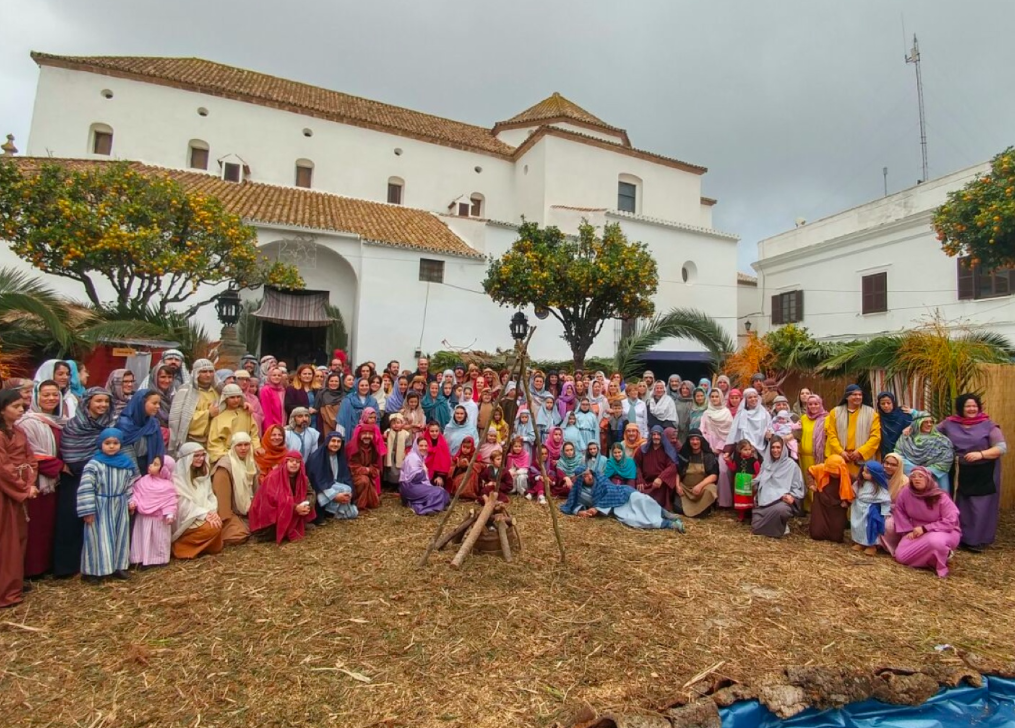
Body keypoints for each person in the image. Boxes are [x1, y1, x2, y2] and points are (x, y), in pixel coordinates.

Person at [54, 387, 114, 578]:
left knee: (97, 522)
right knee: (72, 522)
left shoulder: (109, 425)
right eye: (98, 401)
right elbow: (71, 453)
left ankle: (96, 564)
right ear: (87, 402)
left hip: (102, 479)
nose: (103, 405)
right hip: (76, 479)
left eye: (106, 401)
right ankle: (69, 567)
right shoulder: (74, 426)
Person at [938, 393, 1005, 552]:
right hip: (961, 469)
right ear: (961, 407)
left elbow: (1001, 447)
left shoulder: (988, 425)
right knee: (962, 503)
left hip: (984, 470)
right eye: (968, 406)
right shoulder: (950, 423)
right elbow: (929, 430)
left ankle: (977, 540)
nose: (971, 409)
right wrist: (911, 425)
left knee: (980, 505)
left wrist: (981, 454)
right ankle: (960, 537)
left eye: (974, 406)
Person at [17, 380, 65, 579]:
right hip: (37, 481)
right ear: (36, 397)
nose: (51, 398)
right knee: (35, 526)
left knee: (49, 526)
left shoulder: (61, 420)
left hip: (55, 482)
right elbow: (32, 453)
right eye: (46, 395)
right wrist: (60, 467)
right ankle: (32, 569)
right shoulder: (26, 422)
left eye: (55, 394)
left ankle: (46, 565)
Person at [77, 428, 138, 582]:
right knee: (98, 538)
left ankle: (117, 566)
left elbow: (129, 485)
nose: (112, 446)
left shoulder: (126, 464)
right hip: (100, 506)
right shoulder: (94, 465)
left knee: (119, 536)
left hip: (119, 504)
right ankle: (93, 571)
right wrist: (88, 510)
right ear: (100, 444)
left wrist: (131, 501)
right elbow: (86, 488)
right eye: (108, 443)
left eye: (115, 443)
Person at [0, 390, 38, 608]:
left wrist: (30, 481)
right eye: (15, 406)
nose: (21, 409)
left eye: (22, 405)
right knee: (7, 542)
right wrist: (23, 487)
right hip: (6, 493)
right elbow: (4, 468)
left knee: (18, 539)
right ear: (2, 409)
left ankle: (13, 582)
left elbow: (30, 458)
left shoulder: (19, 431)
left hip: (20, 490)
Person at [561, 467, 684, 531]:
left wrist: (596, 508)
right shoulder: (579, 491)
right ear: (581, 479)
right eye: (585, 475)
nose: (589, 476)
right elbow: (570, 504)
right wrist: (579, 511)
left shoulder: (601, 479)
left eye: (589, 473)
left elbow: (610, 492)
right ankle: (669, 525)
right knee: (634, 519)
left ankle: (665, 513)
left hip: (623, 493)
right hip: (616, 508)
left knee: (643, 501)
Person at [892, 466, 962, 578]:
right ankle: (930, 560)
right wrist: (908, 529)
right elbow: (899, 510)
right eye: (913, 477)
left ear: (928, 479)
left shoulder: (940, 496)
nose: (916, 479)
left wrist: (925, 528)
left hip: (943, 531)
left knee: (935, 541)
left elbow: (951, 521)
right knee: (901, 557)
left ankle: (943, 557)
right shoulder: (906, 492)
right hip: (916, 530)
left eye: (920, 476)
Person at [248, 451, 316, 543]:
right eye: (291, 461)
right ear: (285, 462)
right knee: (271, 530)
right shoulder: (273, 477)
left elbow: (310, 493)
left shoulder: (303, 478)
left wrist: (307, 504)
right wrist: (295, 508)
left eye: (297, 461)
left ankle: (295, 524)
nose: (294, 464)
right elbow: (273, 500)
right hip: (271, 511)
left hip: (292, 509)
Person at [170, 443, 224, 558]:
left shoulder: (203, 473)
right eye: (196, 456)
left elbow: (210, 496)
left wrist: (212, 512)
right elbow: (182, 505)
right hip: (188, 517)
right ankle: (180, 547)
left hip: (202, 513)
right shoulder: (177, 478)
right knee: (211, 528)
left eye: (202, 455)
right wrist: (204, 514)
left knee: (216, 523)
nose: (201, 459)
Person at [129, 455, 177, 568]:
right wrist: (133, 502)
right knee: (142, 537)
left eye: (156, 464)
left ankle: (158, 559)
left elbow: (170, 501)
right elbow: (137, 493)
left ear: (164, 469)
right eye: (152, 463)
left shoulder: (167, 486)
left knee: (157, 538)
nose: (151, 465)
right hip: (143, 518)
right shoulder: (143, 481)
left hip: (158, 519)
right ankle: (140, 558)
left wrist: (170, 513)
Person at [750, 438, 804, 538]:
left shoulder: (792, 465)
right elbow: (760, 480)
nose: (775, 450)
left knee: (781, 510)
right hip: (765, 501)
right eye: (773, 447)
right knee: (756, 527)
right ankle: (775, 524)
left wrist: (790, 496)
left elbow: (798, 487)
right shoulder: (766, 464)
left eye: (778, 447)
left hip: (781, 500)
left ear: (783, 449)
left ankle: (781, 525)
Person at [210, 433, 255, 546]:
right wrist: (227, 519)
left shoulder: (252, 463)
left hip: (250, 508)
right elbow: (222, 502)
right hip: (231, 512)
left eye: (246, 444)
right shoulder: (224, 467)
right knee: (237, 535)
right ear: (233, 447)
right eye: (239, 445)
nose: (243, 448)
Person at [825, 384, 881, 478]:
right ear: (847, 396)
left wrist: (860, 452)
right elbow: (831, 434)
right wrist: (841, 452)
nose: (858, 397)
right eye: (854, 394)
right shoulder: (835, 412)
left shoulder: (871, 413)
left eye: (860, 395)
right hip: (842, 458)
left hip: (861, 459)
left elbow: (875, 437)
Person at [894, 412, 955, 494]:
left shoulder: (942, 440)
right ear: (917, 423)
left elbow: (946, 459)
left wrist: (925, 472)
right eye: (925, 422)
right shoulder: (905, 439)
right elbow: (899, 456)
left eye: (931, 422)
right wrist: (916, 472)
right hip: (911, 477)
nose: (929, 424)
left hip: (935, 477)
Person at [168, 359, 219, 455]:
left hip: (214, 442)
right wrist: (208, 414)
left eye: (211, 371)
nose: (208, 375)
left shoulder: (217, 392)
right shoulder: (185, 391)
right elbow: (183, 419)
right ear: (196, 373)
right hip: (192, 441)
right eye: (204, 371)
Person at [306, 432, 358, 521]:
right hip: (319, 489)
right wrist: (335, 496)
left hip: (333, 484)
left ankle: (336, 511)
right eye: (333, 441)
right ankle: (331, 511)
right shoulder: (317, 458)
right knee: (345, 494)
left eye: (338, 442)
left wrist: (349, 494)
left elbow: (346, 476)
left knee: (348, 490)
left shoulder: (339, 456)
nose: (336, 444)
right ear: (327, 442)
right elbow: (318, 481)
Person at [117, 388, 166, 474]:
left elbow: (160, 445)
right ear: (141, 403)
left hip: (148, 464)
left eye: (159, 403)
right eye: (154, 403)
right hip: (127, 467)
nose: (158, 406)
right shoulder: (124, 424)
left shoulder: (153, 423)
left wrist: (158, 458)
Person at [400, 437, 453, 515]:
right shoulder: (412, 458)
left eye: (425, 446)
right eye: (421, 446)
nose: (424, 448)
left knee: (442, 491)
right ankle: (423, 508)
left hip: (415, 486)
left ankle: (412, 503)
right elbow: (415, 478)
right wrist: (424, 471)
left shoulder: (419, 457)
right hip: (409, 487)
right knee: (438, 492)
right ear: (416, 446)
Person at [807, 454, 853, 543]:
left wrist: (847, 502)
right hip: (821, 503)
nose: (832, 474)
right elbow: (809, 471)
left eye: (835, 472)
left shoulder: (848, 477)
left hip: (837, 507)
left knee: (836, 538)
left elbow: (853, 491)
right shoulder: (821, 468)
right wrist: (811, 484)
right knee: (816, 534)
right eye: (830, 471)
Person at [700, 388, 734, 509]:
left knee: (724, 470)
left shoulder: (726, 413)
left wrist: (720, 448)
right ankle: (705, 501)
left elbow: (730, 433)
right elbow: (701, 430)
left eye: (716, 396)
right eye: (712, 396)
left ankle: (723, 501)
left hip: (723, 447)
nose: (714, 399)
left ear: (721, 398)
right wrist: (709, 447)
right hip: (708, 446)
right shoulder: (706, 413)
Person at [850, 460, 893, 555]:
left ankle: (871, 545)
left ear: (875, 474)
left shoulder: (878, 488)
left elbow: (885, 501)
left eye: (867, 472)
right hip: (858, 508)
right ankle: (860, 542)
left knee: (869, 527)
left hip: (870, 510)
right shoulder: (860, 483)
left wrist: (885, 512)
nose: (863, 473)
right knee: (857, 526)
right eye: (863, 471)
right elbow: (853, 491)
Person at [676, 428, 720, 517]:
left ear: (701, 441)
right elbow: (677, 472)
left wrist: (700, 486)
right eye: (692, 439)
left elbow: (714, 475)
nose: (695, 442)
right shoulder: (684, 454)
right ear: (689, 441)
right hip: (686, 489)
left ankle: (703, 509)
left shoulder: (708, 456)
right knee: (678, 508)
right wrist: (677, 486)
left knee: (711, 489)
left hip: (701, 489)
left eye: (697, 439)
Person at [634, 425, 679, 511]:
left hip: (659, 484)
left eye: (658, 434)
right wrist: (640, 479)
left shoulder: (667, 450)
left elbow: (672, 466)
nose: (656, 437)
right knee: (639, 493)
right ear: (650, 436)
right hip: (646, 482)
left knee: (662, 491)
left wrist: (661, 478)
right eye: (653, 434)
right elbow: (636, 465)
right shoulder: (642, 450)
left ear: (662, 436)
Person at [796, 394, 829, 512]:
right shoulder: (804, 418)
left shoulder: (826, 418)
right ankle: (808, 508)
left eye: (816, 404)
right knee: (806, 481)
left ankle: (818, 508)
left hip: (818, 457)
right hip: (803, 456)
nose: (813, 406)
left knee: (817, 482)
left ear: (820, 404)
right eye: (810, 404)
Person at [878, 453, 910, 556]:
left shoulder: (904, 482)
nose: (888, 466)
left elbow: (905, 505)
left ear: (899, 466)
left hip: (897, 512)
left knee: (888, 526)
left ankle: (887, 546)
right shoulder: (878, 476)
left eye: (893, 465)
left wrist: (887, 508)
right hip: (878, 507)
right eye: (886, 463)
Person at [725, 387, 771, 455]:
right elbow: (735, 431)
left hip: (762, 446)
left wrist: (769, 433)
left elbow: (770, 427)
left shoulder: (764, 413)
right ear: (745, 400)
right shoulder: (742, 414)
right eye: (750, 397)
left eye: (755, 397)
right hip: (745, 448)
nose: (753, 399)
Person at [346, 425, 382, 510]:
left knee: (374, 503)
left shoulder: (373, 447)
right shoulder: (352, 447)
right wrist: (366, 470)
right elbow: (351, 466)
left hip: (367, 475)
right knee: (364, 480)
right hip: (352, 476)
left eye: (370, 434)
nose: (367, 436)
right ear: (359, 434)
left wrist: (371, 470)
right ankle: (357, 502)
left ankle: (365, 502)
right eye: (364, 433)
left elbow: (376, 464)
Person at [725, 439, 762, 521]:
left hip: (750, 484)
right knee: (740, 498)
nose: (748, 451)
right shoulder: (737, 460)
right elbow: (733, 468)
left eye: (749, 449)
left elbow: (758, 473)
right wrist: (728, 461)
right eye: (745, 449)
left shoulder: (754, 461)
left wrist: (752, 477)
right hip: (740, 484)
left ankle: (752, 516)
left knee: (750, 499)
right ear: (739, 450)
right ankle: (741, 516)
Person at [877, 392, 912, 457]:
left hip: (905, 452)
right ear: (879, 405)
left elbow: (922, 420)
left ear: (893, 403)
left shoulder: (903, 413)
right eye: (883, 403)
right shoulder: (877, 418)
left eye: (888, 403)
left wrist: (910, 426)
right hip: (885, 454)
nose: (886, 405)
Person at [383, 413, 412, 488]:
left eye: (398, 423)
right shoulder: (388, 432)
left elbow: (408, 445)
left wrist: (406, 453)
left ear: (402, 423)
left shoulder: (406, 434)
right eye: (393, 423)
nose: (396, 425)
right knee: (390, 469)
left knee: (399, 469)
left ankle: (398, 484)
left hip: (401, 454)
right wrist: (385, 436)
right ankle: (390, 484)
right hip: (390, 454)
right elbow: (384, 439)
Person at [259, 367, 288, 432]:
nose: (276, 377)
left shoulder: (283, 389)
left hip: (283, 425)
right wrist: (269, 429)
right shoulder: (266, 390)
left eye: (279, 375)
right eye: (274, 375)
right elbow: (266, 411)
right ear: (269, 376)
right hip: (272, 426)